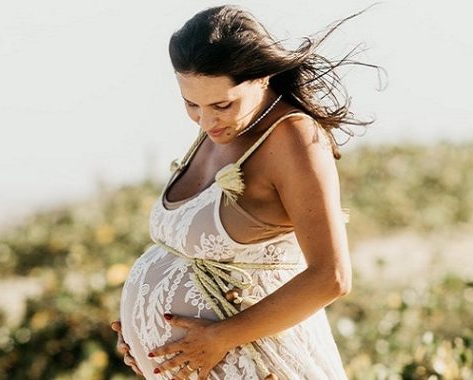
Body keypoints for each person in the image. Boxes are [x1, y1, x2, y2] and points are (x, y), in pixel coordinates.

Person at [110, 4, 382, 379]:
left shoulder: (294, 139)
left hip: (265, 364)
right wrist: (143, 330)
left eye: (222, 104)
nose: (206, 121)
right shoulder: (221, 126)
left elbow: (331, 277)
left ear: (262, 78)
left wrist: (220, 337)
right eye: (191, 104)